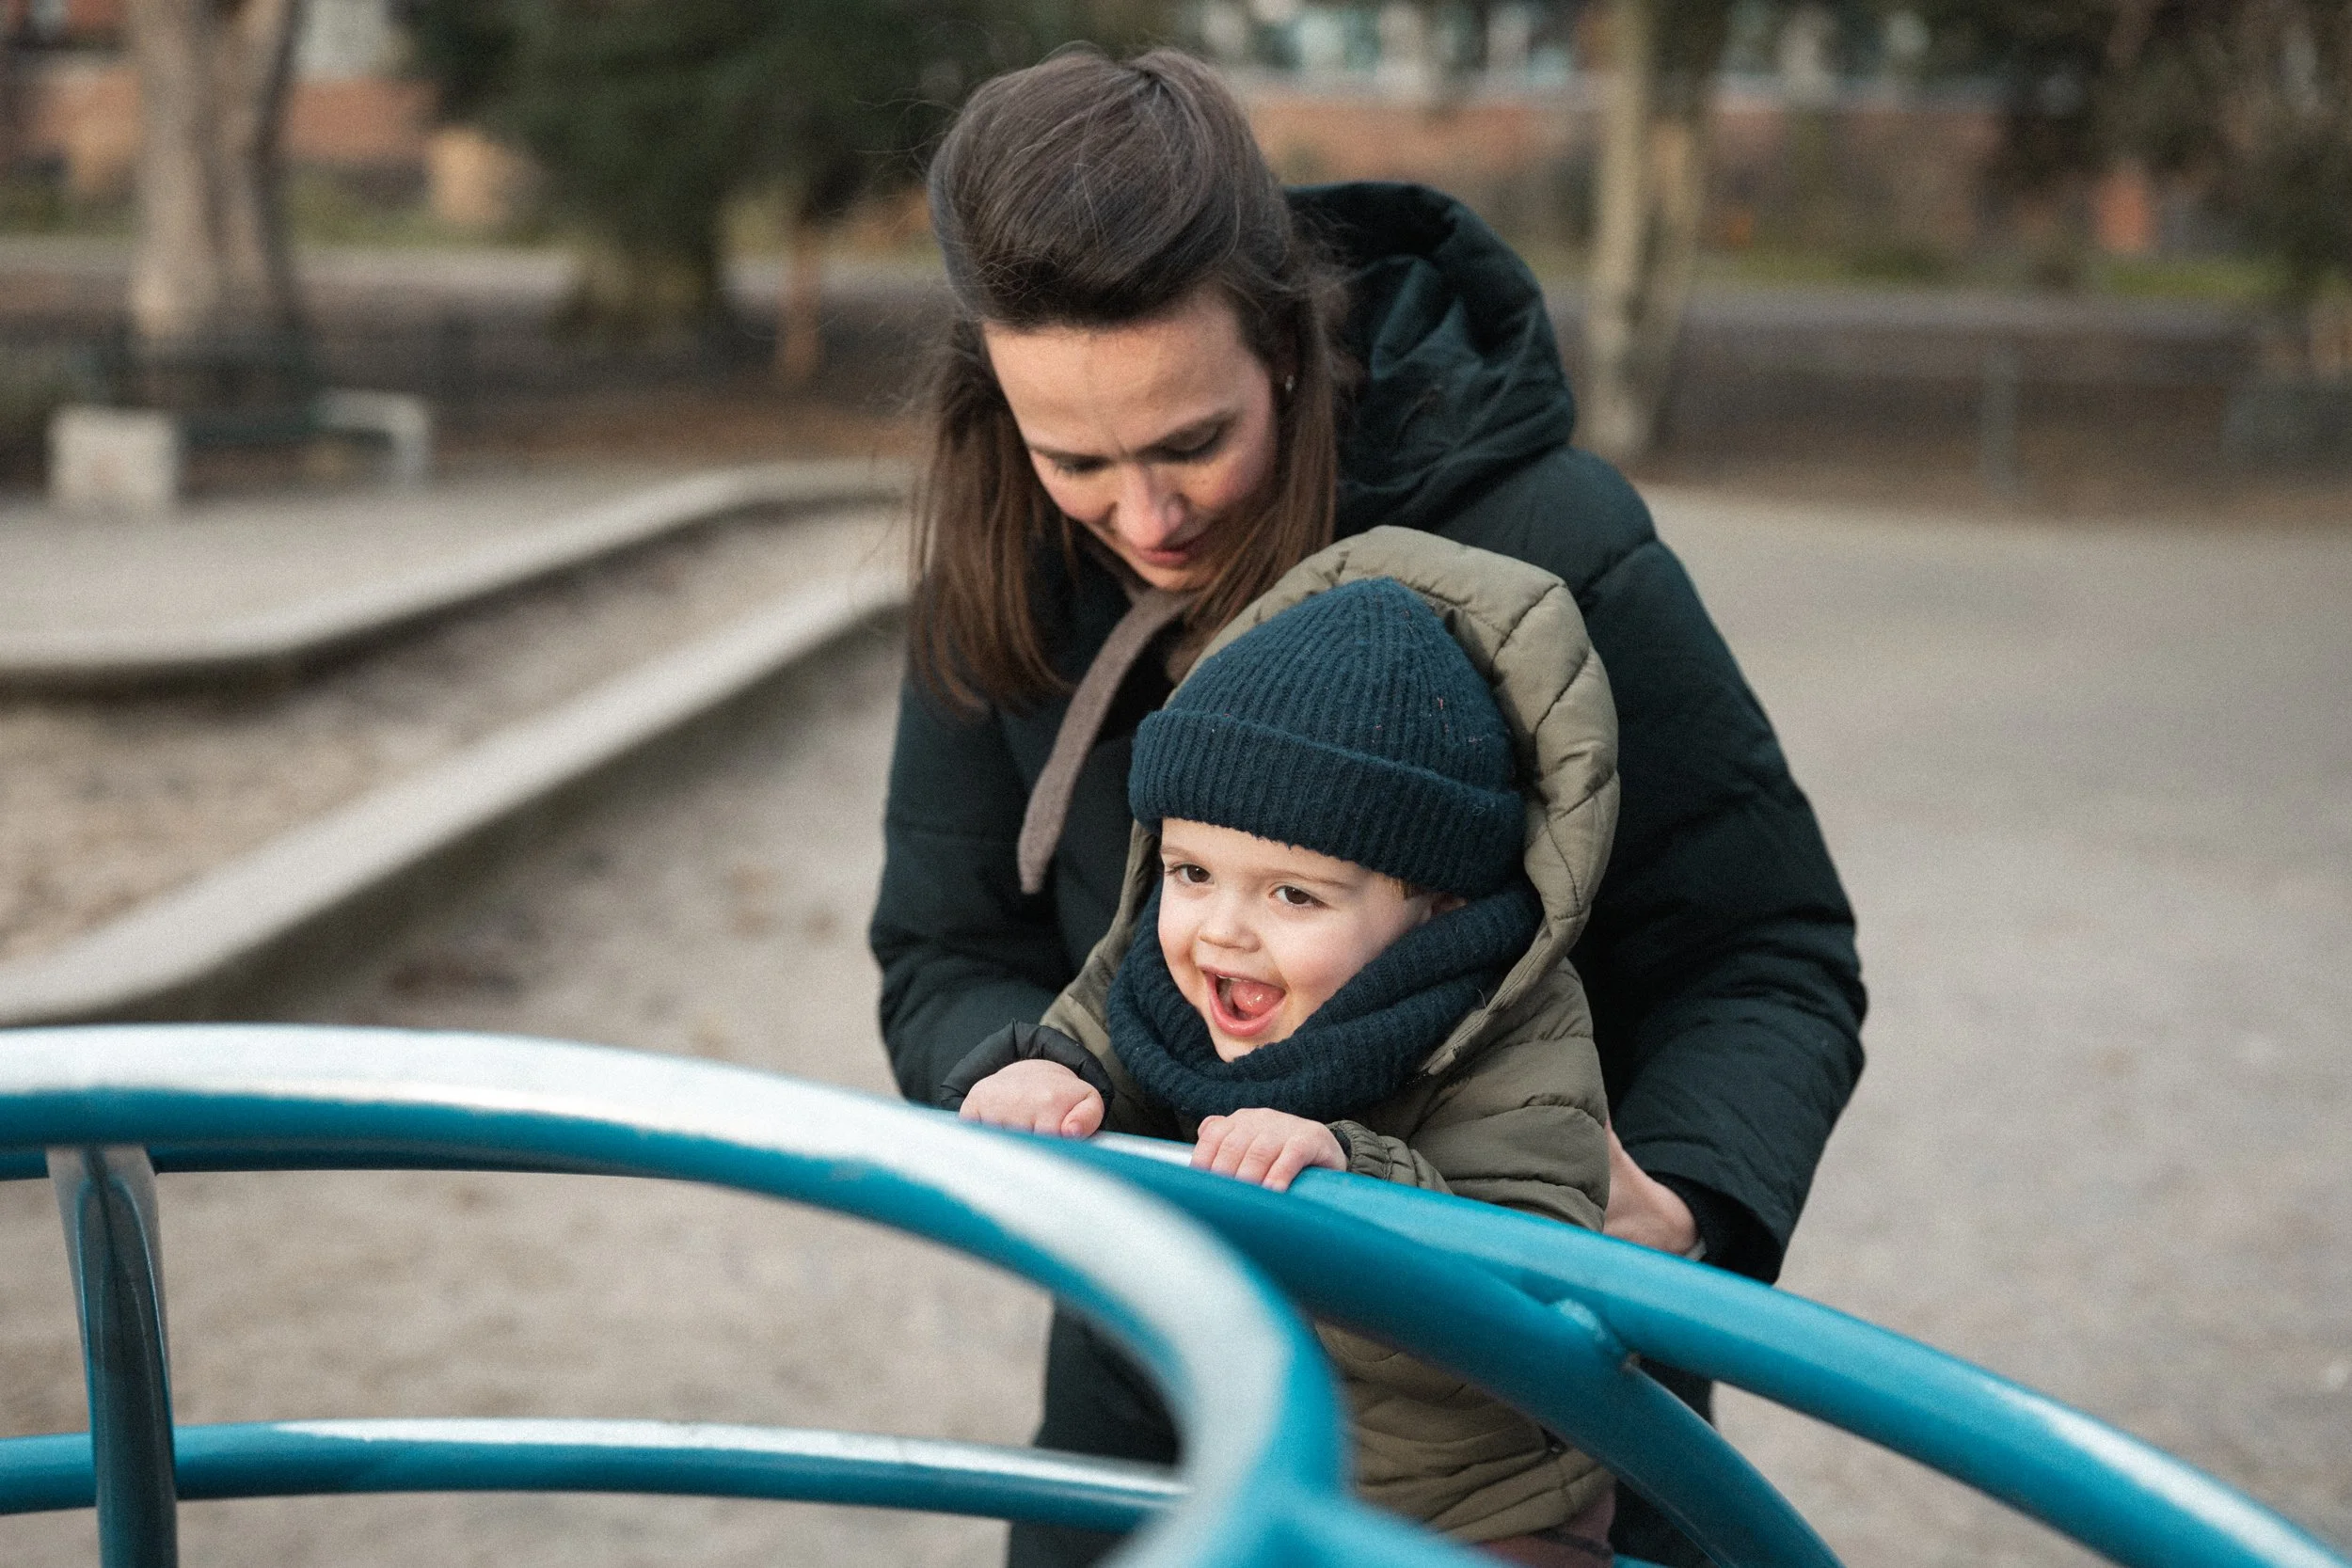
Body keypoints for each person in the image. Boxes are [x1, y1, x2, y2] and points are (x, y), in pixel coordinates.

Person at [867, 45, 1866, 1568]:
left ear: (1287, 342)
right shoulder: (1000, 574)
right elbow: (945, 946)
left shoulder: (1552, 545)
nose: (1146, 518)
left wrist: (1688, 1213)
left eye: (1193, 440)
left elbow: (1768, 946)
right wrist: (1025, 1077)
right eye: (1076, 458)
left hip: (1528, 1394)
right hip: (1161, 1355)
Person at [944, 543, 1622, 1566]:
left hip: (1465, 1509)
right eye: (1191, 869)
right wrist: (1045, 1071)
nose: (1220, 929)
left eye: (1292, 893)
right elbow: (1091, 1040)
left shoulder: (1510, 1027)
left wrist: (1354, 1176)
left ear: (1436, 903)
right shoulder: (1156, 972)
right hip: (1253, 1463)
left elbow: (1516, 1317)